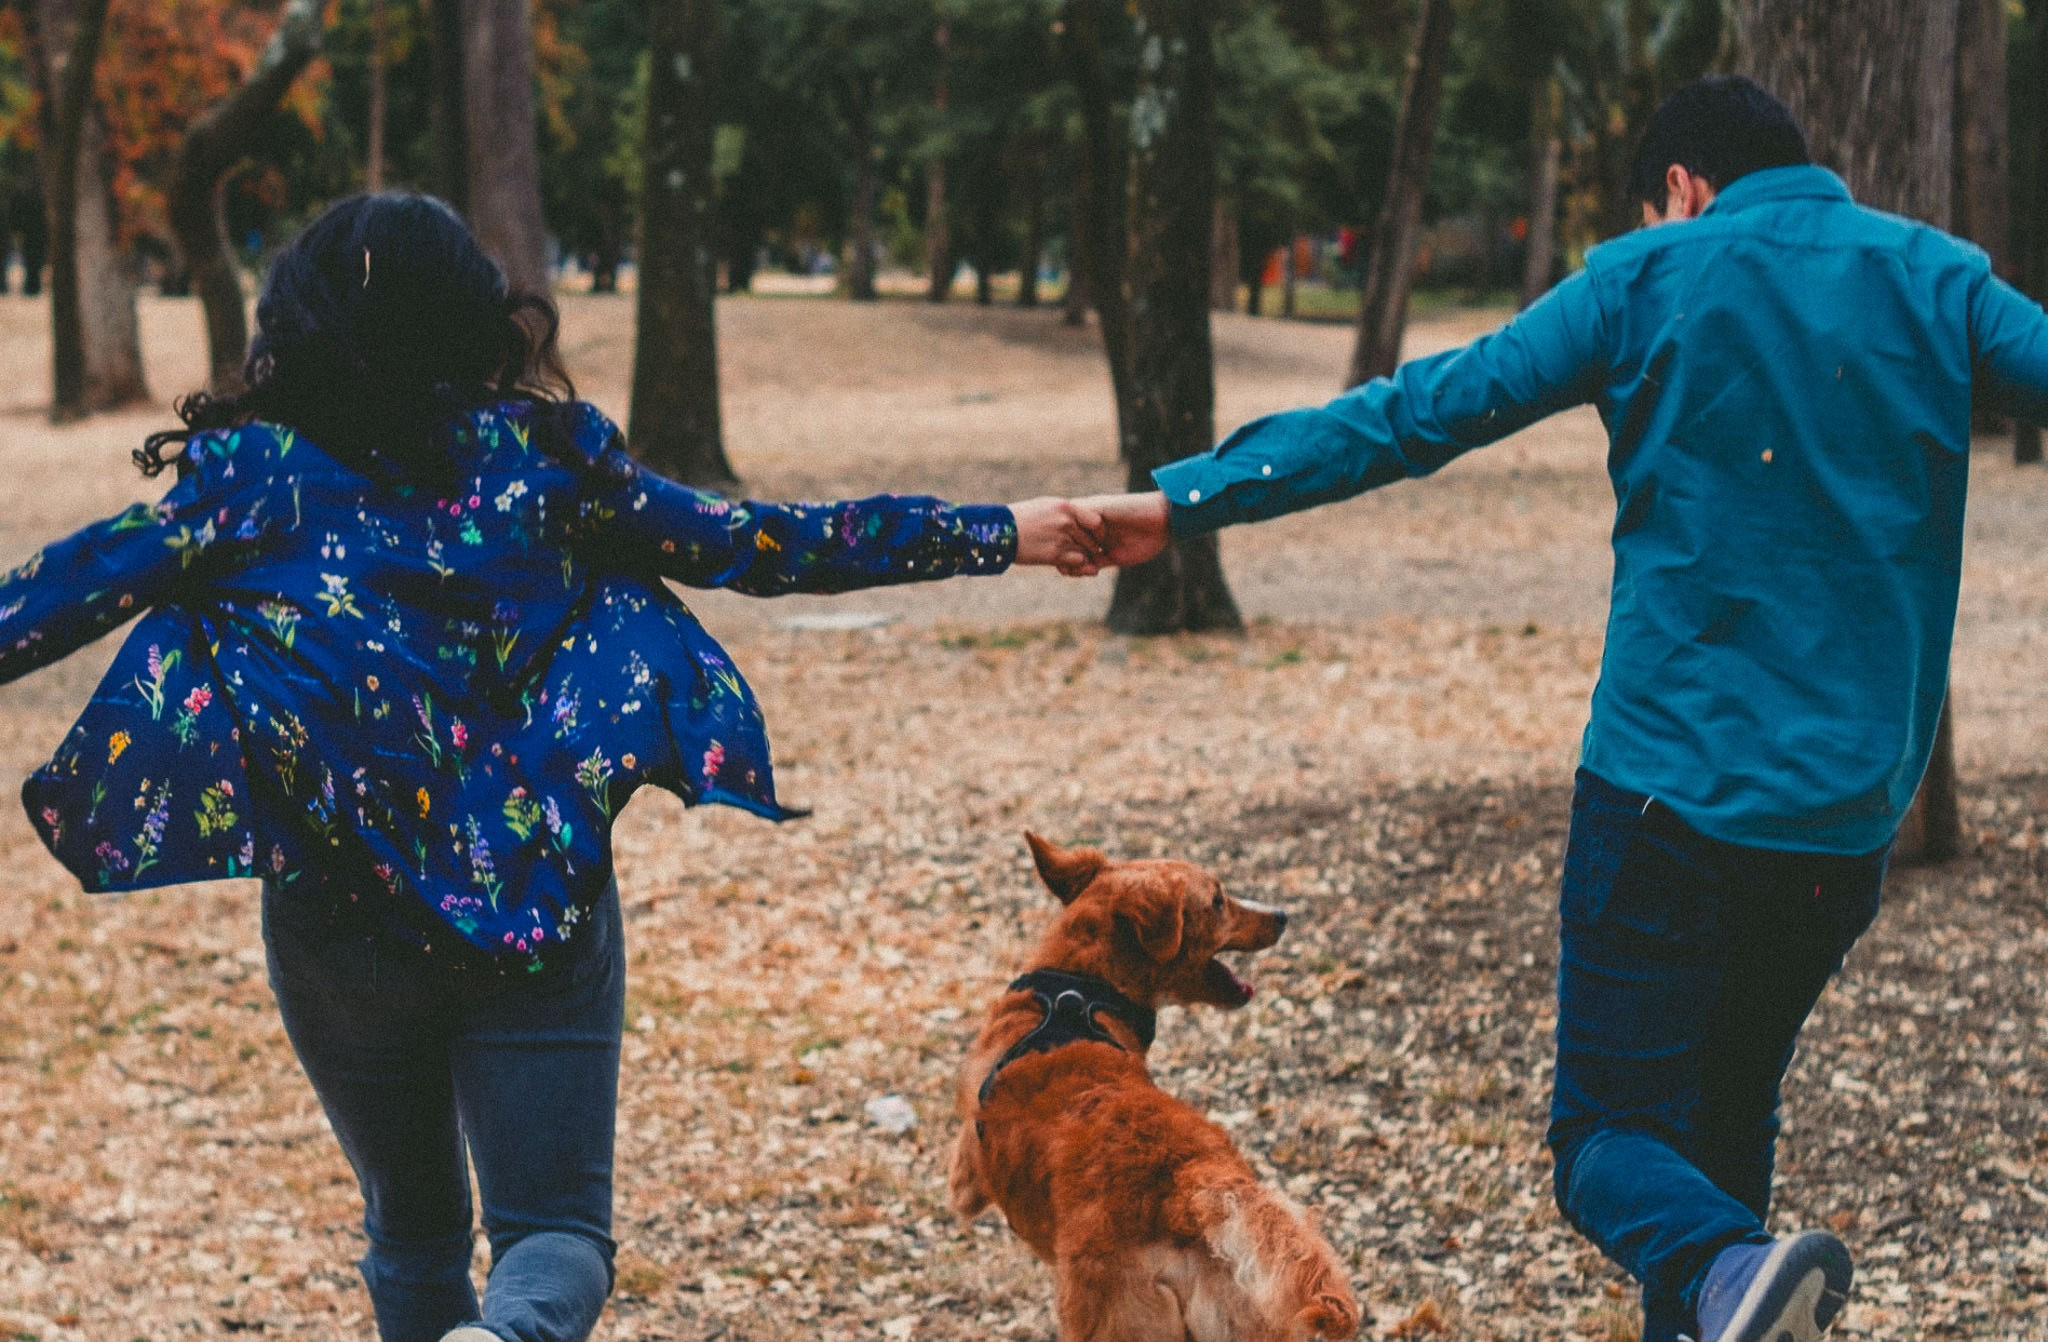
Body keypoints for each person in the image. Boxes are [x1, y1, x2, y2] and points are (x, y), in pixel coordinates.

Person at [0, 193, 1106, 1342]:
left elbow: (39, 600)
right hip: (536, 911)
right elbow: (762, 544)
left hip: (336, 926)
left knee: (412, 1231)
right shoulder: (546, 462)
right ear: (477, 323)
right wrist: (1002, 529)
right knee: (554, 1237)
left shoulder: (247, 480)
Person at [1070, 74, 2048, 1342]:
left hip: (1667, 803)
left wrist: (1184, 501)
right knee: (1717, 1132)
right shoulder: (1935, 278)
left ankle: (1719, 1275)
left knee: (1602, 1141)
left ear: (1680, 188)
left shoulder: (1648, 276)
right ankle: (1727, 1285)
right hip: (1840, 823)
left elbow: (1411, 415)